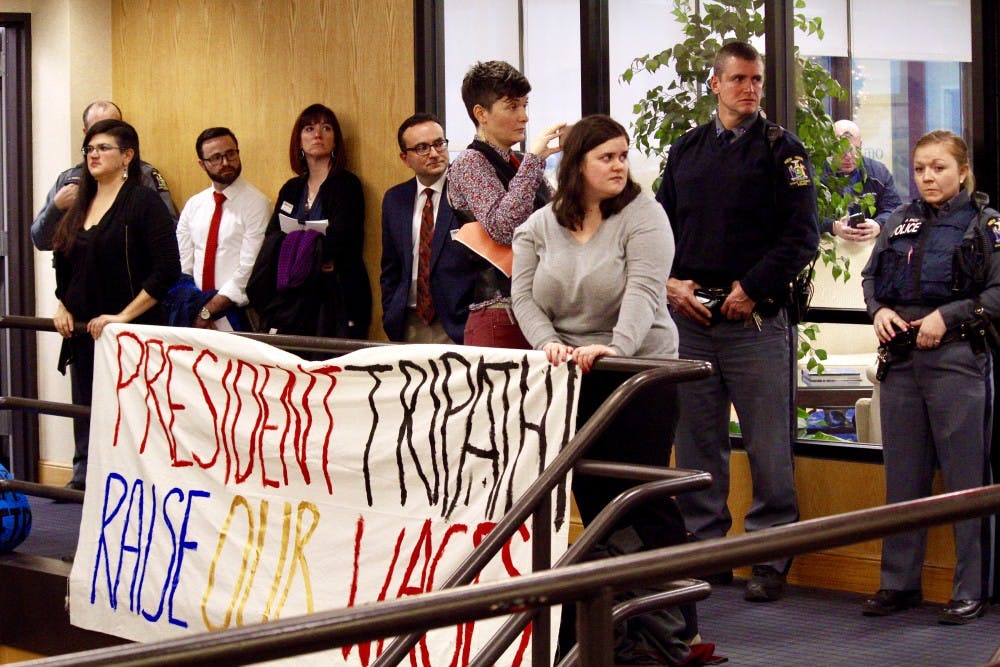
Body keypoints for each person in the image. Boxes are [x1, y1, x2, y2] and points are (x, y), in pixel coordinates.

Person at [512, 115, 702, 664]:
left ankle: (674, 627)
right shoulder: (542, 224)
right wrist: (548, 342)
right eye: (607, 158)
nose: (620, 166)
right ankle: (617, 624)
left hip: (638, 367)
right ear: (576, 167)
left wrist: (617, 348)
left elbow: (645, 292)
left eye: (623, 155)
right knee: (593, 500)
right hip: (570, 372)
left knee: (641, 498)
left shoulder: (645, 215)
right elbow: (523, 296)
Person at [655, 41, 819, 602]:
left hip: (755, 320)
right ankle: (707, 554)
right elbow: (659, 230)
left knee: (770, 447)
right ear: (715, 85)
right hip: (693, 316)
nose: (749, 89)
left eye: (756, 80)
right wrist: (670, 282)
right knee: (698, 445)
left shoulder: (783, 151)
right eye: (739, 80)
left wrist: (752, 288)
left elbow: (802, 238)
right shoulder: (687, 151)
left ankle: (769, 558)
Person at [860, 130, 997, 624]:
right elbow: (871, 278)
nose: (927, 177)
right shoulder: (900, 220)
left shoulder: (985, 224)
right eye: (920, 168)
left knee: (967, 483)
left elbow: (999, 291)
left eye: (938, 167)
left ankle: (971, 589)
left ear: (962, 172)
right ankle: (899, 584)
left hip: (957, 360)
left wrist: (951, 315)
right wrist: (877, 311)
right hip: (902, 363)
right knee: (903, 480)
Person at [50, 119, 180, 491]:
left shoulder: (143, 201)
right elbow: (63, 261)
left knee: (131, 429)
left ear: (127, 156)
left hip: (130, 336)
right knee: (94, 427)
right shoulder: (81, 200)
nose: (93, 155)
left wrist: (123, 317)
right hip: (84, 336)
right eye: (89, 149)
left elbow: (167, 268)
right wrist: (62, 306)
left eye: (103, 148)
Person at [447, 60, 565, 348]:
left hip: (542, 311)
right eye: (512, 107)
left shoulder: (523, 163)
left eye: (525, 105)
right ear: (481, 113)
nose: (524, 116)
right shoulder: (469, 162)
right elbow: (504, 227)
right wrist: (535, 161)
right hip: (500, 311)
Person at [247, 103, 371, 340]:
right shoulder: (292, 188)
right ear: (299, 141)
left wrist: (301, 250)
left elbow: (343, 239)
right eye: (309, 128)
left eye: (326, 128)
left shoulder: (347, 185)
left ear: (335, 140)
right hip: (291, 300)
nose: (317, 134)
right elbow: (273, 237)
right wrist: (310, 255)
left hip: (335, 299)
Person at [380, 113, 481, 344]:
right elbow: (390, 266)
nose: (434, 154)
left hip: (457, 323)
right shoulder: (395, 199)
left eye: (439, 144)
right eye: (423, 148)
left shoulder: (467, 192)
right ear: (405, 158)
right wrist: (390, 311)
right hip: (408, 322)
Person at [31, 100, 177, 250]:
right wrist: (56, 207)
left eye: (111, 128)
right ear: (85, 134)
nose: (103, 134)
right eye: (97, 130)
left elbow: (170, 232)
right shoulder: (69, 180)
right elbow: (40, 241)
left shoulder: (144, 175)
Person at [175, 127, 270, 331]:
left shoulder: (257, 204)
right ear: (202, 164)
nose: (226, 163)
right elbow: (183, 264)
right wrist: (195, 309)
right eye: (216, 158)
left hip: (238, 314)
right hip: (194, 313)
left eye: (230, 154)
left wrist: (208, 310)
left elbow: (248, 268)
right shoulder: (194, 205)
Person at [822, 119, 902, 242]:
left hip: (868, 246)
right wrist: (832, 226)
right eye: (841, 150)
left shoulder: (878, 173)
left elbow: (895, 209)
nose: (849, 157)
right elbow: (805, 215)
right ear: (830, 147)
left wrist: (878, 225)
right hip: (828, 245)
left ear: (861, 145)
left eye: (855, 150)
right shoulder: (817, 174)